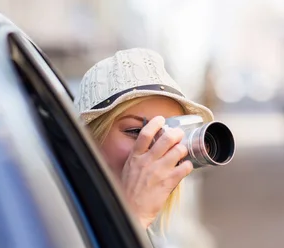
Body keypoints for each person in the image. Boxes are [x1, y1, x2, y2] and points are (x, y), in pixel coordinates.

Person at [73, 48, 214, 231]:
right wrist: (136, 216)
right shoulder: (57, 219)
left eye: (172, 133)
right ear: (88, 140)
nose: (159, 148)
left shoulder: (164, 231)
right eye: (136, 130)